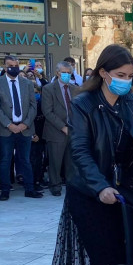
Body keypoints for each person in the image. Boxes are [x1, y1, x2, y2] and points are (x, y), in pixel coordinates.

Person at [47, 44, 133, 265]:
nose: (126, 81)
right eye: (120, 75)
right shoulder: (83, 104)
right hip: (90, 192)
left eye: (130, 76)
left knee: (130, 253)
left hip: (125, 188)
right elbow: (80, 151)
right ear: (103, 73)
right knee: (105, 258)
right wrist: (101, 186)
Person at [0, 55, 42, 201]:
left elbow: (33, 105)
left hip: (25, 127)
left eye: (16, 65)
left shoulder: (27, 83)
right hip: (6, 128)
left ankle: (29, 189)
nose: (14, 68)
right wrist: (9, 125)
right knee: (6, 160)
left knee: (25, 159)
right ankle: (5, 189)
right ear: (5, 67)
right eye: (10, 65)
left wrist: (25, 124)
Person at [41, 61, 78, 196]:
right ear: (57, 73)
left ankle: (71, 185)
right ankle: (55, 185)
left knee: (71, 161)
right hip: (55, 131)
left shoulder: (75, 89)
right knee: (55, 161)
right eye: (64, 73)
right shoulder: (49, 89)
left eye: (69, 73)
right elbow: (47, 111)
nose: (66, 75)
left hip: (73, 130)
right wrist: (62, 127)